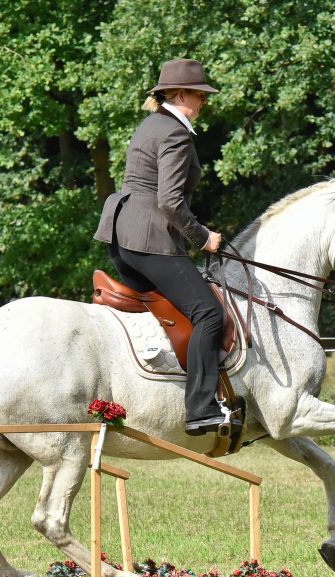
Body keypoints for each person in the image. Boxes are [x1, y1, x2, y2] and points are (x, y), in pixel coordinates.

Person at [94, 58, 226, 436]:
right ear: (181, 94)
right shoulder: (175, 133)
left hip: (124, 237)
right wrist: (203, 237)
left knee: (173, 309)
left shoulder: (152, 125)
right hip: (150, 239)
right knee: (208, 314)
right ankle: (201, 408)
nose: (203, 103)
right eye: (200, 95)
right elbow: (170, 201)